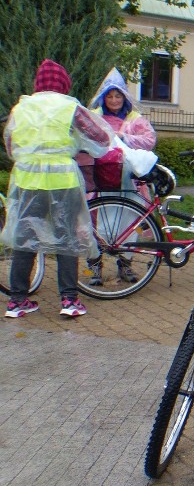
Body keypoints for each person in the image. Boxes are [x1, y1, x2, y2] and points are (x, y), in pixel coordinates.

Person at [2, 59, 113, 318]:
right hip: (62, 181)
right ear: (63, 84)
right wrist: (75, 144)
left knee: (24, 239)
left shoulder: (21, 108)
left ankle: (17, 301)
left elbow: (10, 146)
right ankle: (69, 301)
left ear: (38, 84)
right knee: (67, 239)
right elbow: (101, 137)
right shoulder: (69, 107)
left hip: (27, 182)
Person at [83, 68, 158, 285]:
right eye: (110, 95)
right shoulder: (94, 117)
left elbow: (149, 140)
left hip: (128, 183)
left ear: (124, 97)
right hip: (99, 182)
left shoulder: (135, 119)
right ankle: (94, 267)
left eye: (118, 96)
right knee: (93, 224)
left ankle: (125, 265)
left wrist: (122, 137)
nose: (114, 100)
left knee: (129, 223)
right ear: (103, 97)